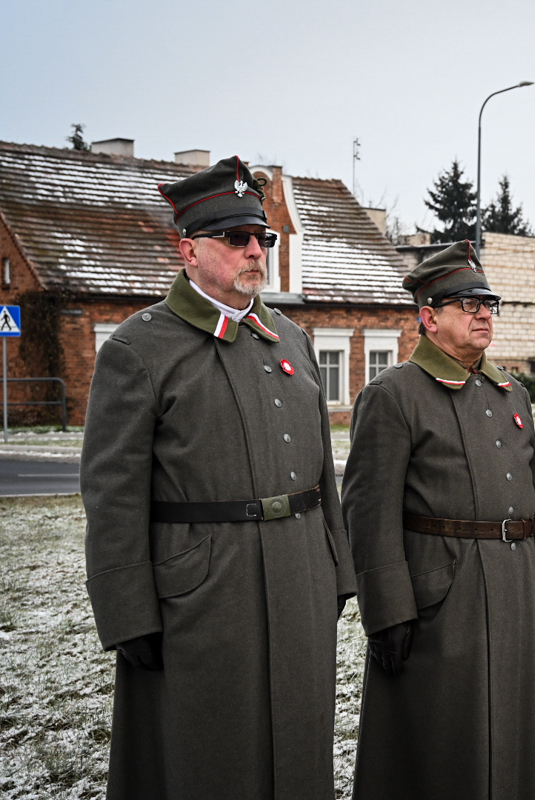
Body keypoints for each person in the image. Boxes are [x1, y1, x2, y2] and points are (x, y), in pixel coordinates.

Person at [80, 156, 355, 800]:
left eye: (263, 238)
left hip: (297, 579)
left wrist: (335, 568)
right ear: (189, 250)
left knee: (299, 744)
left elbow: (322, 474)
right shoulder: (139, 349)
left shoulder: (289, 338)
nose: (255, 250)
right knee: (209, 753)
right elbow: (113, 494)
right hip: (203, 593)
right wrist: (126, 613)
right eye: (235, 238)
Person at [341, 240, 535, 800]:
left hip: (512, 590)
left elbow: (534, 500)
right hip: (441, 596)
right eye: (466, 303)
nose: (484, 312)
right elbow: (369, 515)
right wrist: (387, 611)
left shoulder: (510, 392)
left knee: (506, 739)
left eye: (487, 301)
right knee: (440, 742)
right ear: (429, 317)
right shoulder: (395, 396)